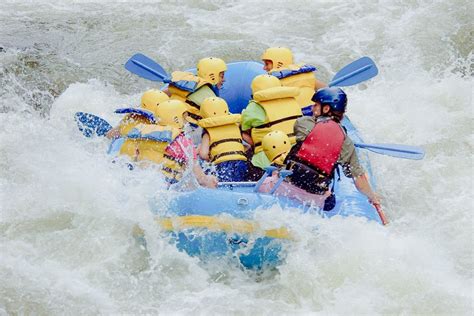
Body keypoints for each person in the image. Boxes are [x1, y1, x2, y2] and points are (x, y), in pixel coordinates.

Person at [283, 87, 381, 210]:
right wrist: (372, 196)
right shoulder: (346, 143)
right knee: (330, 200)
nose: (313, 108)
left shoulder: (302, 123)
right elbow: (358, 178)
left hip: (286, 186)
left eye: (316, 105)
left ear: (326, 108)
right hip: (316, 198)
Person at [117, 99, 217, 188]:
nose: (186, 122)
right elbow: (199, 177)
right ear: (176, 119)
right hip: (167, 186)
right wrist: (208, 180)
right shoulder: (181, 140)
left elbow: (124, 159)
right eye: (184, 118)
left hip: (142, 182)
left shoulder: (141, 133)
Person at [240, 74, 302, 179]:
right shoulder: (293, 101)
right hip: (295, 155)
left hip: (265, 159)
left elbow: (245, 129)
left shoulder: (254, 107)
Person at [261, 47, 326, 116]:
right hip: (316, 111)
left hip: (295, 116)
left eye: (267, 64)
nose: (264, 68)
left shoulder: (273, 81)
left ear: (278, 63)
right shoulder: (306, 74)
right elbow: (325, 89)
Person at [197, 97, 248, 182]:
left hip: (222, 164)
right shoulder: (235, 125)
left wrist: (210, 158)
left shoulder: (208, 131)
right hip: (240, 162)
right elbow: (248, 145)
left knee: (223, 186)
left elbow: (203, 154)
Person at [165, 57, 227, 125]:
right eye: (222, 76)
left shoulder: (188, 83)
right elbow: (219, 119)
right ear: (212, 76)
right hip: (192, 126)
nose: (224, 79)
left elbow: (165, 92)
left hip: (172, 117)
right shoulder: (208, 95)